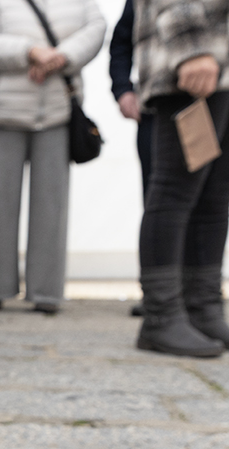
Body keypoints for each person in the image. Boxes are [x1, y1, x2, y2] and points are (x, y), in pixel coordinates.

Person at [0, 0, 105, 315]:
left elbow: (96, 29)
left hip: (57, 111)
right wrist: (30, 52)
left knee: (51, 205)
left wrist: (62, 57)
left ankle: (47, 291)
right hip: (2, 111)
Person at [131, 0, 229, 357]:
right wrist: (191, 48)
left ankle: (202, 307)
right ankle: (160, 316)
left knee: (215, 196)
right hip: (191, 64)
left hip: (222, 67)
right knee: (174, 191)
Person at [108, 0, 152, 318]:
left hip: (218, 101)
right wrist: (124, 90)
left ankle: (200, 294)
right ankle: (157, 293)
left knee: (211, 201)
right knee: (159, 200)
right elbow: (121, 42)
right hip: (158, 104)